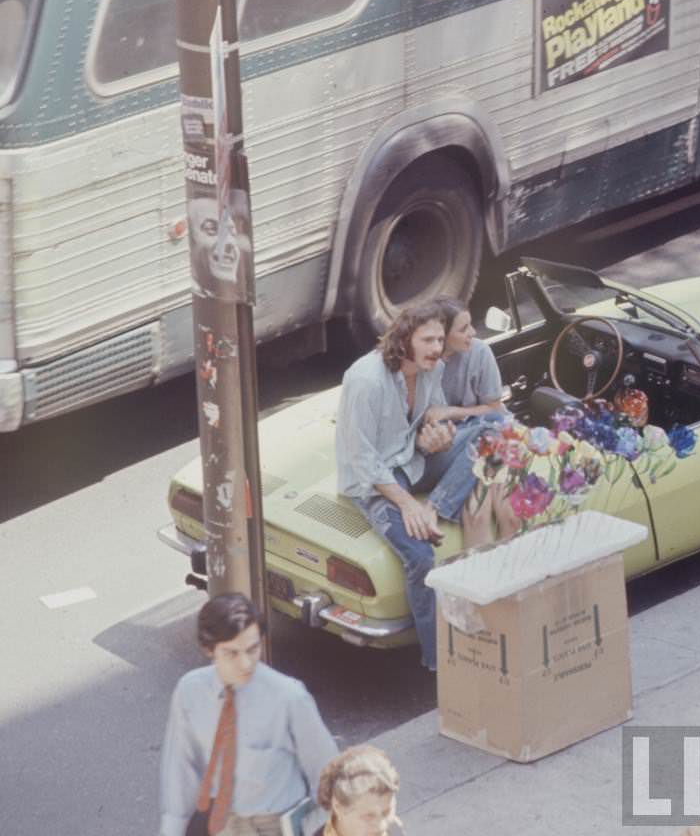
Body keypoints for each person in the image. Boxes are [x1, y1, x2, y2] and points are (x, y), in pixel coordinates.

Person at [335, 302, 490, 671]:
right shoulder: (366, 380)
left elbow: (427, 420)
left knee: (490, 430)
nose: (437, 347)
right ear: (404, 339)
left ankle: (436, 508)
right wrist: (407, 504)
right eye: (428, 339)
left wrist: (437, 438)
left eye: (440, 338)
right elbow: (362, 459)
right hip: (373, 482)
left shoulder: (430, 369)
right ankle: (439, 662)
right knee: (420, 558)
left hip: (411, 460)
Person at [160, 592, 337, 836]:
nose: (245, 664)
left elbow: (328, 776)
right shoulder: (190, 692)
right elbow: (181, 771)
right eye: (232, 653)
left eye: (253, 649)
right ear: (208, 649)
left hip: (275, 825)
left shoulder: (289, 698)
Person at [429, 296, 520, 544]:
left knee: (507, 515)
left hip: (490, 435)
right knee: (476, 515)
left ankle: (513, 576)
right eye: (463, 328)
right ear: (442, 336)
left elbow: (494, 410)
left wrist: (450, 411)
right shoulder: (425, 362)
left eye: (470, 325)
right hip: (458, 445)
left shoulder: (480, 351)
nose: (473, 332)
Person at [314, 745, 401, 836]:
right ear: (338, 807)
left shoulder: (394, 829)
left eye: (386, 812)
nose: (382, 827)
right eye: (368, 816)